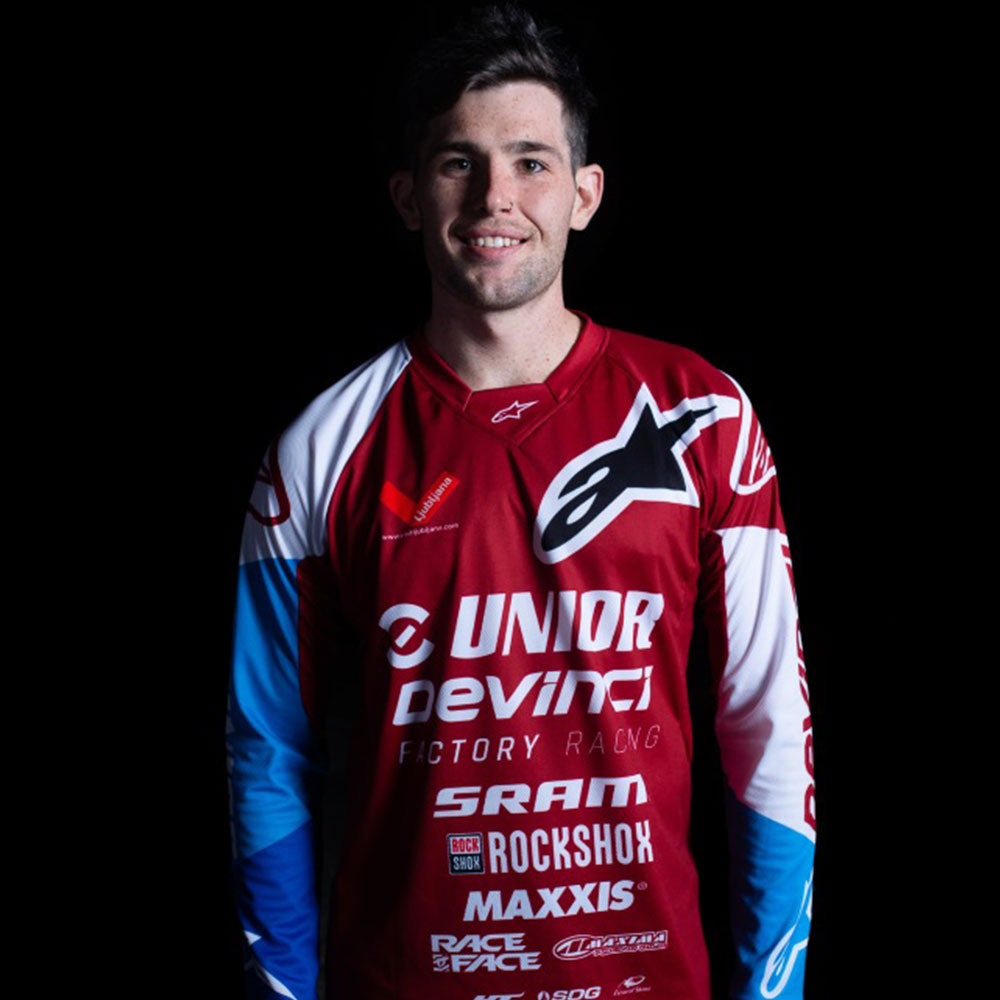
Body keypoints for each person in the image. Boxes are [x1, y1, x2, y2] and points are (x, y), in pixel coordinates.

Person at [227, 5, 816, 999]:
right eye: (459, 162)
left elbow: (767, 725)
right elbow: (266, 754)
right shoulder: (318, 448)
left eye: (531, 161)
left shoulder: (703, 414)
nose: (495, 196)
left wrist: (773, 986)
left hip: (645, 979)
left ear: (585, 193)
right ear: (409, 196)